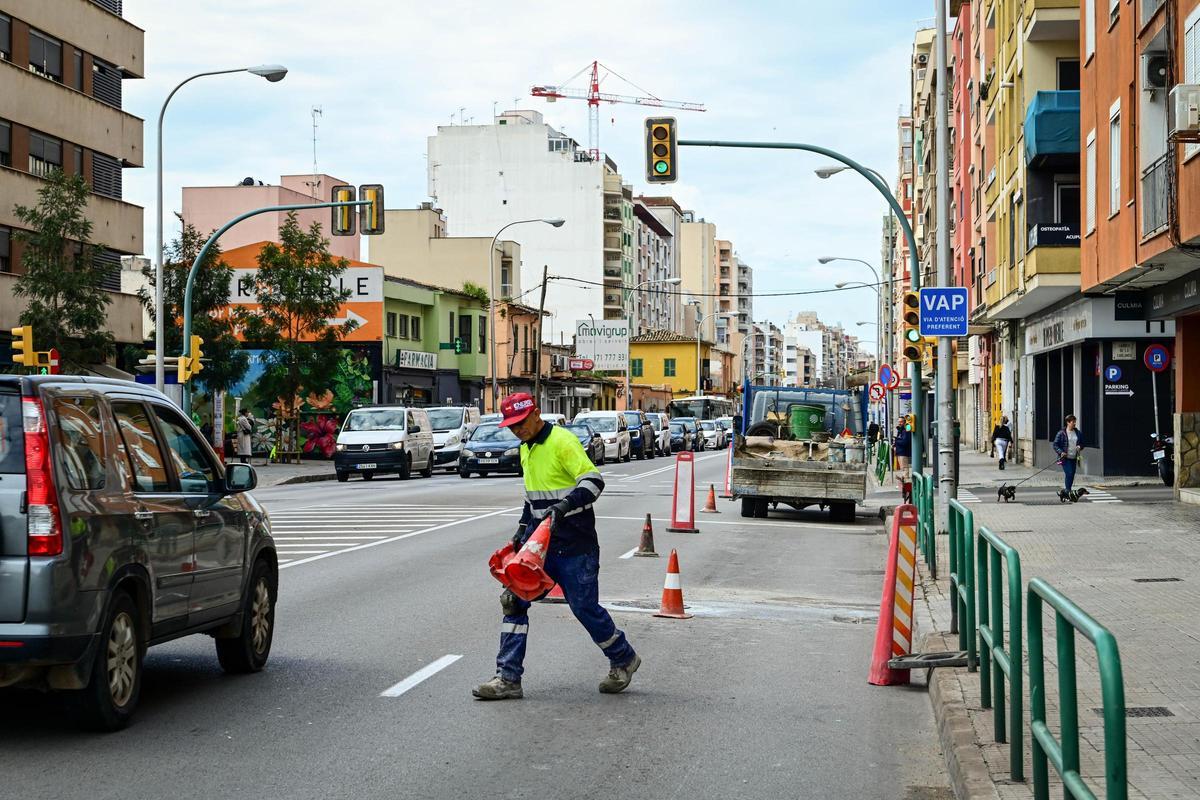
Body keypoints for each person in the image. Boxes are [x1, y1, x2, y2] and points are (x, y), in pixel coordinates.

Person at [474, 393, 640, 701]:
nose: (517, 431)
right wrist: (522, 531)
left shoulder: (563, 441)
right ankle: (508, 677)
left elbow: (593, 482)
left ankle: (623, 658)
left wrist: (563, 507)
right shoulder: (527, 448)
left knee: (584, 608)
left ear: (536, 414)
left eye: (521, 424)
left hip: (576, 544)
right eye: (512, 426)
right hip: (541, 547)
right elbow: (533, 498)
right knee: (514, 601)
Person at [1052, 414, 1086, 498]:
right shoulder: (1061, 433)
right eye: (1073, 422)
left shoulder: (1078, 433)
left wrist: (1080, 446)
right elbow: (1055, 445)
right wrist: (1061, 452)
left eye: (1075, 422)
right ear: (1068, 422)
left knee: (1072, 474)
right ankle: (1068, 491)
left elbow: (1082, 443)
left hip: (1074, 457)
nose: (1074, 424)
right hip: (1065, 458)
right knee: (1069, 473)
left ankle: (1067, 491)